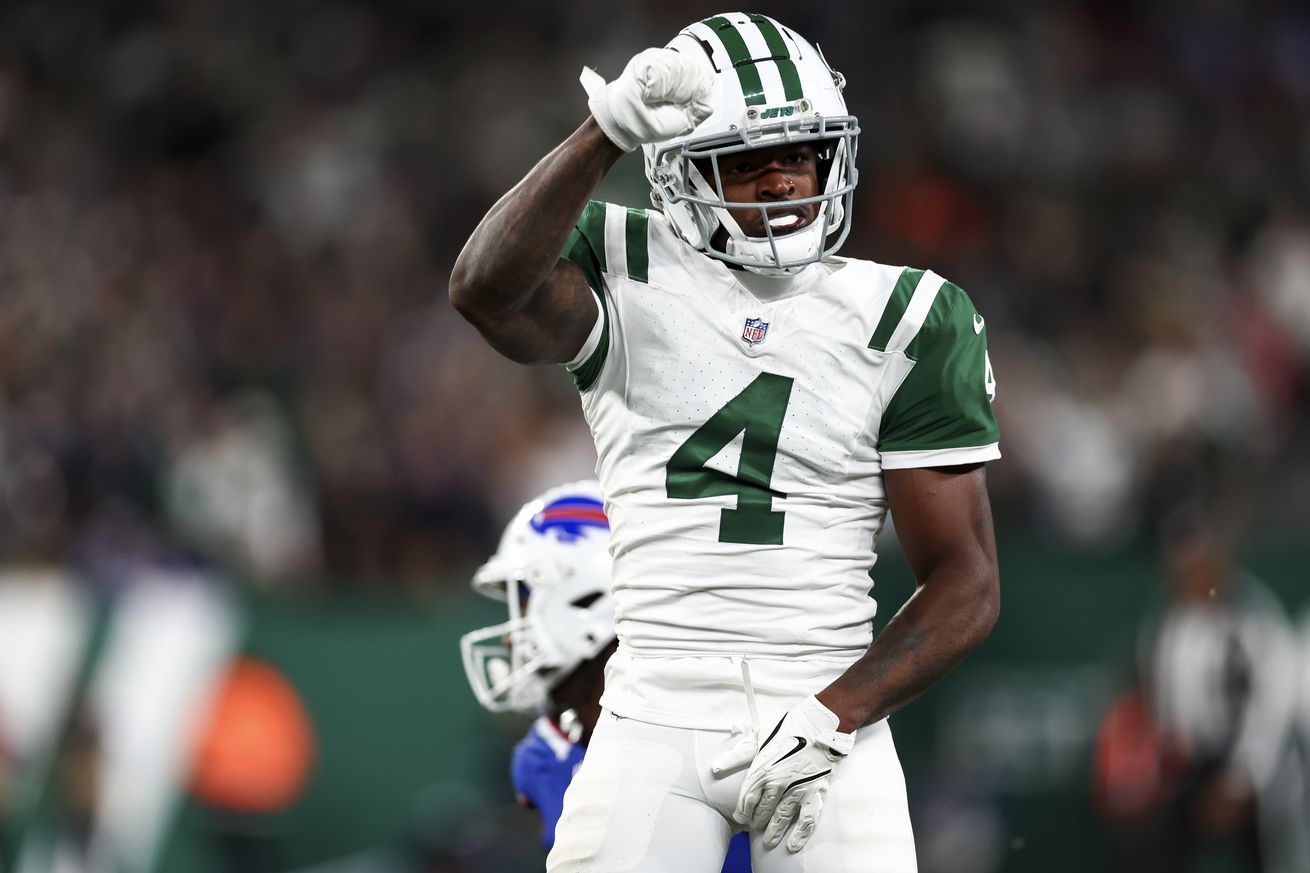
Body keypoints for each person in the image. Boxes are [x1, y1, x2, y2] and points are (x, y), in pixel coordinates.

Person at [450, 13, 1002, 872]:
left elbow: (966, 581)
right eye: (749, 161)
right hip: (653, 707)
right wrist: (605, 133)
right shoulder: (629, 260)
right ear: (677, 172)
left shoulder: (910, 317)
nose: (785, 181)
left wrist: (833, 714)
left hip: (825, 708)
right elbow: (483, 289)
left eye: (804, 154)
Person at [462, 480, 752, 872]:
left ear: (586, 594)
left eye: (524, 602)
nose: (514, 637)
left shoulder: (720, 713)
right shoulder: (544, 755)